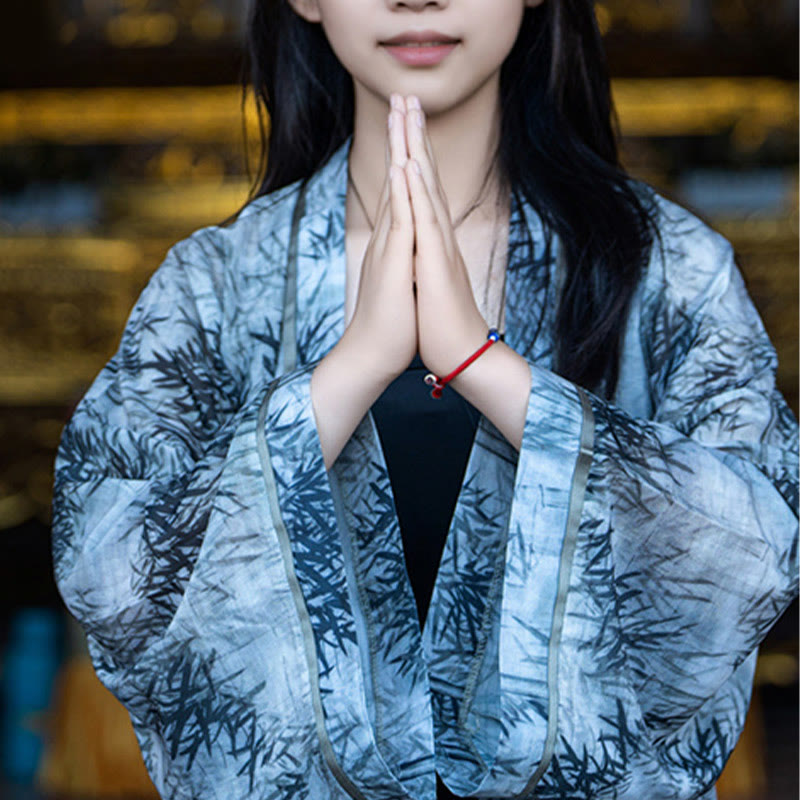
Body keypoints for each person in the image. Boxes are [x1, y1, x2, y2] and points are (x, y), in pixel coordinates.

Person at [51, 1, 798, 798]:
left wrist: (485, 364)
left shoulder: (668, 269)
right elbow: (112, 576)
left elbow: (757, 552)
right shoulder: (214, 286)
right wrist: (351, 370)